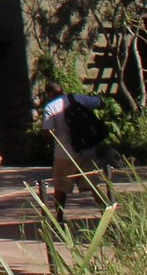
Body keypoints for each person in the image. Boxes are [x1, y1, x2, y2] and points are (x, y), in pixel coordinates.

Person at [40, 82, 109, 213]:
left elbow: (47, 132)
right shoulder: (80, 98)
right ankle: (107, 216)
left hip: (64, 153)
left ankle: (59, 219)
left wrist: (53, 138)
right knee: (94, 185)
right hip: (87, 149)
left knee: (60, 188)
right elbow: (101, 103)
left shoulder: (50, 107)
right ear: (62, 90)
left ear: (49, 94)